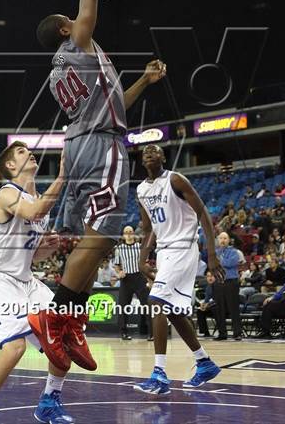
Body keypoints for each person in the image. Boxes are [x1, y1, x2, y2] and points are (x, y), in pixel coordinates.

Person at [29, 0, 166, 372]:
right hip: (101, 146)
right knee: (104, 233)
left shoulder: (57, 73)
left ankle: (69, 322)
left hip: (84, 142)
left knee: (99, 236)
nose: (79, 16)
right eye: (73, 17)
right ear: (66, 28)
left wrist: (145, 82)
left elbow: (113, 108)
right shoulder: (78, 42)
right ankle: (55, 315)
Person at [0, 141, 74, 424]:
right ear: (10, 166)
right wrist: (63, 177)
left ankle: (49, 401)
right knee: (15, 347)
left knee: (65, 338)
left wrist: (47, 247)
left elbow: (31, 254)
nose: (29, 153)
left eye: (28, 151)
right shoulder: (7, 192)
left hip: (26, 280)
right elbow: (33, 213)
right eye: (21, 152)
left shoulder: (38, 198)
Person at [133, 144, 224, 394]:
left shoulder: (175, 179)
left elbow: (203, 214)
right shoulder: (141, 189)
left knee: (156, 302)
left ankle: (159, 374)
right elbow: (148, 228)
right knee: (172, 311)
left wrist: (212, 253)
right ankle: (204, 362)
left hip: (183, 247)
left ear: (163, 157)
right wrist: (143, 258)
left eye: (155, 151)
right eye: (145, 153)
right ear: (142, 161)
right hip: (164, 252)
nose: (150, 154)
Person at [114, 225, 152, 340]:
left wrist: (149, 279)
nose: (129, 234)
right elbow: (117, 266)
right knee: (123, 306)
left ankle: (152, 333)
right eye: (126, 232)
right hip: (126, 279)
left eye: (131, 231)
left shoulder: (139, 247)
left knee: (146, 305)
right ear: (123, 235)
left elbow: (145, 264)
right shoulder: (119, 249)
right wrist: (119, 273)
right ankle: (123, 333)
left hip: (139, 277)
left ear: (134, 233)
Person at [256, 257, 285, 339]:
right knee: (268, 304)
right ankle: (265, 332)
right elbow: (282, 291)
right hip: (284, 302)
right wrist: (272, 297)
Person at [214, 232, 242, 341]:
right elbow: (212, 264)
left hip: (231, 282)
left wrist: (219, 260)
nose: (223, 240)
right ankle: (222, 333)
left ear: (229, 240)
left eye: (225, 238)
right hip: (219, 282)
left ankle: (237, 333)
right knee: (219, 308)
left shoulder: (234, 252)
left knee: (233, 308)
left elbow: (230, 263)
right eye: (221, 238)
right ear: (218, 240)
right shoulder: (215, 252)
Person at [196, 271, 216, 337]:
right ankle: (205, 332)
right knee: (200, 311)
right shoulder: (208, 287)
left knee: (213, 308)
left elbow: (217, 299)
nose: (209, 278)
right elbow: (206, 299)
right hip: (211, 307)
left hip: (219, 308)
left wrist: (208, 304)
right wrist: (203, 304)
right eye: (208, 276)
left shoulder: (218, 286)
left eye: (211, 276)